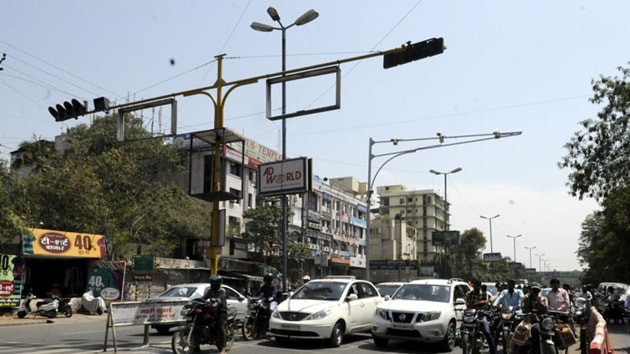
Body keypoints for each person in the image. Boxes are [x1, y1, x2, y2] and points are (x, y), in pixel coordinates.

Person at [465, 279, 497, 354]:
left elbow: (486, 306)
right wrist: (482, 302)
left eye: (477, 285)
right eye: (474, 285)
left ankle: (493, 351)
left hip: (482, 314)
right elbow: (468, 305)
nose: (475, 287)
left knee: (487, 332)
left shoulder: (485, 294)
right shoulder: (469, 294)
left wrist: (481, 303)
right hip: (471, 314)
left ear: (480, 286)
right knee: (463, 327)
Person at [202, 274, 228, 354]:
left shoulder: (222, 291)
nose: (212, 284)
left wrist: (216, 303)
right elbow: (205, 297)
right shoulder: (210, 291)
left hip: (221, 311)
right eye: (212, 282)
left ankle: (223, 348)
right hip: (212, 310)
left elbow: (219, 299)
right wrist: (197, 300)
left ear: (219, 283)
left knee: (220, 328)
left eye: (214, 282)